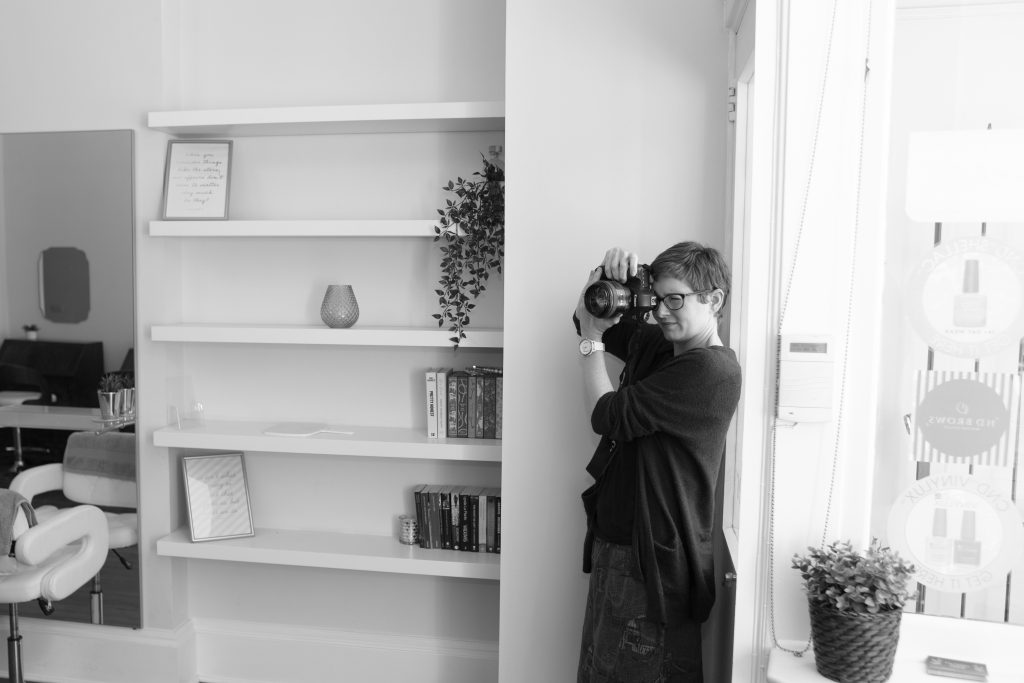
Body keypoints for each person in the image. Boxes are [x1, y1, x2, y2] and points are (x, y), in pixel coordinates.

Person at [574, 242, 742, 683]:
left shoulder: (711, 371)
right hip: (621, 550)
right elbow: (590, 320)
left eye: (676, 300)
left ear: (715, 300)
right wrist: (606, 276)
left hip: (649, 567)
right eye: (659, 299)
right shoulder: (664, 348)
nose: (663, 312)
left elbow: (607, 415)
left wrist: (589, 343)